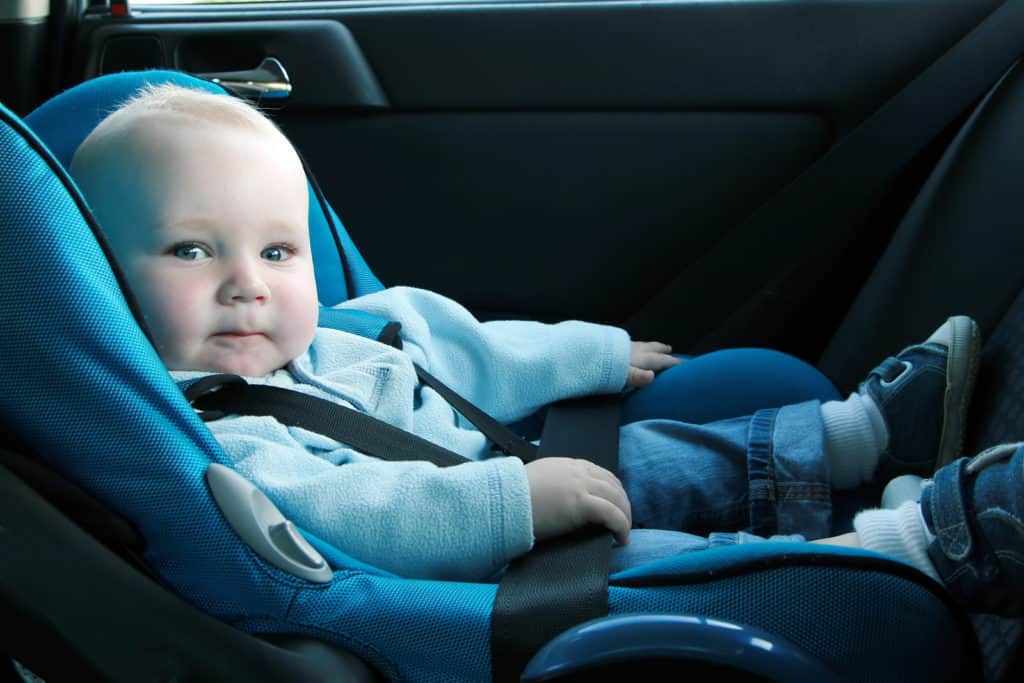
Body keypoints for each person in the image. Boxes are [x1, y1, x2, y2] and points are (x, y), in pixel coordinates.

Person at [68, 85, 1022, 644]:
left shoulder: (338, 336)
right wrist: (517, 501)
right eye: (191, 252)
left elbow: (476, 352)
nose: (247, 286)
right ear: (100, 279)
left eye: (278, 253)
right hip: (489, 568)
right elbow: (360, 516)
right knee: (680, 565)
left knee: (671, 453)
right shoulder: (217, 432)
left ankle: (859, 438)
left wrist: (599, 352)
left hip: (526, 474)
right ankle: (909, 548)